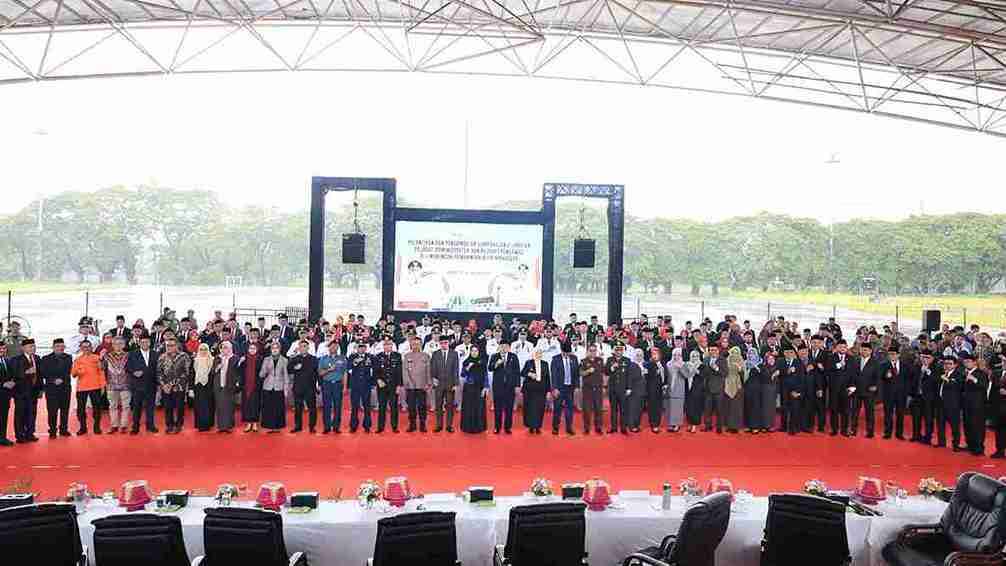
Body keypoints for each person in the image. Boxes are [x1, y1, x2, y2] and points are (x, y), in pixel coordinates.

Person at [72, 340, 106, 435]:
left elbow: (101, 372)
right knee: (80, 409)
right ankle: (82, 427)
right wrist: (78, 371)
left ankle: (97, 427)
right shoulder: (77, 359)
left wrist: (103, 385)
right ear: (81, 348)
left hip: (95, 386)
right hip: (81, 388)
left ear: (91, 348)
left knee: (97, 408)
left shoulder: (97, 358)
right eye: (84, 347)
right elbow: (73, 374)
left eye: (88, 347)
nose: (86, 349)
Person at [11, 338, 42, 443]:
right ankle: (20, 436)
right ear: (23, 348)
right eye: (30, 346)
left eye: (34, 346)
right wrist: (26, 372)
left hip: (34, 391)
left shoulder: (37, 358)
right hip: (21, 392)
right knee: (20, 414)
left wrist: (41, 389)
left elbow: (40, 375)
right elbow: (14, 374)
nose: (33, 348)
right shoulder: (16, 359)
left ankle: (30, 433)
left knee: (32, 413)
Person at [125, 334, 158, 434]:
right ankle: (135, 427)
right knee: (136, 407)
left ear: (150, 343)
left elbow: (158, 369)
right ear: (139, 343)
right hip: (137, 385)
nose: (145, 344)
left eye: (147, 342)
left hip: (151, 385)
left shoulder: (155, 354)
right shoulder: (132, 354)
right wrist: (134, 372)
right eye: (142, 342)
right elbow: (127, 367)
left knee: (150, 407)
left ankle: (150, 425)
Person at [157, 338, 191, 434]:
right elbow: (159, 372)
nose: (169, 347)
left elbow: (186, 373)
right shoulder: (162, 357)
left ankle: (179, 424)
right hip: (166, 387)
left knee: (180, 406)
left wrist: (172, 384)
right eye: (167, 345)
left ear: (177, 346)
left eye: (171, 345)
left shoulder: (184, 356)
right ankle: (169, 425)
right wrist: (164, 385)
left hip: (179, 386)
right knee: (168, 407)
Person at [41, 338, 73, 438]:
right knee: (52, 411)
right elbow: (43, 372)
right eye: (58, 346)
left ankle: (64, 429)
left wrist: (62, 379)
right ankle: (52, 430)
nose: (60, 348)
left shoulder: (68, 357)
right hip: (51, 389)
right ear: (53, 347)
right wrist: (53, 380)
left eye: (62, 346)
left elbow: (68, 371)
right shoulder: (45, 358)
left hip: (65, 388)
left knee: (65, 410)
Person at [489, 341, 520, 434]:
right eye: (502, 346)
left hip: (510, 386)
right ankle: (497, 427)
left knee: (509, 408)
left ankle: (508, 427)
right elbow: (490, 368)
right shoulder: (494, 356)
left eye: (506, 346)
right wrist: (496, 364)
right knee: (497, 407)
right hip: (498, 386)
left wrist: (517, 385)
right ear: (499, 347)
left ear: (509, 347)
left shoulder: (513, 357)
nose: (504, 348)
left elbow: (517, 372)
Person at [881, 345, 912, 440]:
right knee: (888, 413)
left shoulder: (905, 365)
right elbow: (880, 378)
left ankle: (899, 433)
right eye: (890, 354)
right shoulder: (884, 365)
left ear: (898, 355)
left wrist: (907, 392)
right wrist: (885, 376)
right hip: (888, 393)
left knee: (900, 414)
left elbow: (908, 379)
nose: (892, 356)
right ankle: (887, 432)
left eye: (893, 354)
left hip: (901, 394)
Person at [850, 342, 880, 438]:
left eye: (865, 350)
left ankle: (870, 432)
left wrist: (875, 386)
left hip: (869, 391)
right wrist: (852, 386)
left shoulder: (876, 362)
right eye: (862, 349)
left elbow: (878, 377)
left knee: (869, 412)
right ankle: (853, 430)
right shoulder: (856, 360)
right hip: (856, 391)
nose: (863, 351)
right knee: (854, 412)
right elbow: (852, 375)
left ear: (870, 351)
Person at [289, 339, 319, 434]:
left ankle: (312, 426)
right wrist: (294, 367)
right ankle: (298, 426)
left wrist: (318, 385)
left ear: (308, 348)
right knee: (298, 409)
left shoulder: (314, 359)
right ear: (299, 348)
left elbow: (317, 373)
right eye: (301, 346)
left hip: (310, 387)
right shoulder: (295, 358)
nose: (303, 348)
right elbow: (289, 369)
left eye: (305, 346)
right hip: (298, 387)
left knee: (312, 408)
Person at [431, 336, 460, 433]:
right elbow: (432, 367)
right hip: (438, 383)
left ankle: (449, 425)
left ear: (449, 343)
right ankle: (439, 425)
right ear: (439, 344)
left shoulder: (454, 354)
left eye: (446, 343)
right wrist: (433, 378)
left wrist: (456, 383)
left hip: (450, 384)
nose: (444, 345)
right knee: (438, 405)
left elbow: (456, 369)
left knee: (450, 405)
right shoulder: (435, 354)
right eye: (442, 343)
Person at [961, 353, 989, 456]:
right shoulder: (964, 373)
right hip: (966, 404)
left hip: (978, 405)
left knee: (977, 426)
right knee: (967, 425)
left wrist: (974, 379)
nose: (966, 363)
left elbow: (984, 386)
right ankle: (970, 445)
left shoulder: (981, 373)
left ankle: (979, 448)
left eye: (968, 361)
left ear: (974, 362)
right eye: (965, 362)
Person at [373, 339, 403, 433]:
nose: (387, 346)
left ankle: (394, 427)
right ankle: (380, 427)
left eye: (389, 344)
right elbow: (375, 370)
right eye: (385, 344)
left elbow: (399, 371)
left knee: (394, 407)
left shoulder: (397, 356)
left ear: (392, 345)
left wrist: (399, 385)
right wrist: (378, 380)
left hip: (393, 385)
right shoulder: (378, 356)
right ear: (383, 346)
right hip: (382, 385)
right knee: (382, 407)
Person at [318, 339, 347, 434]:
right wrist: (329, 370)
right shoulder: (323, 358)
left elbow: (345, 373)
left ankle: (336, 427)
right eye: (332, 346)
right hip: (327, 384)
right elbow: (320, 373)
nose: (334, 348)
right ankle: (326, 426)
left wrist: (345, 386)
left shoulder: (342, 358)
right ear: (328, 347)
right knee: (326, 406)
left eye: (335, 346)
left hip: (338, 384)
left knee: (337, 406)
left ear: (338, 348)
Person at [403, 337, 432, 432]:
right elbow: (405, 371)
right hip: (410, 386)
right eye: (414, 344)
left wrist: (428, 383)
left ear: (421, 344)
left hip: (422, 385)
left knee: (422, 406)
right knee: (411, 407)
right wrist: (408, 382)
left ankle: (423, 424)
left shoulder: (426, 356)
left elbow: (429, 371)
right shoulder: (407, 356)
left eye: (418, 344)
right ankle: (412, 424)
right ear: (411, 345)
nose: (416, 346)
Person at [826, 340, 855, 437]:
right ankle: (834, 429)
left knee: (845, 410)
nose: (842, 349)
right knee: (833, 409)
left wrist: (852, 387)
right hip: (834, 389)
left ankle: (844, 430)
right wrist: (838, 365)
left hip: (846, 389)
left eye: (844, 347)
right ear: (836, 347)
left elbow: (853, 374)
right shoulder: (831, 358)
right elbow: (827, 371)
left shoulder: (851, 358)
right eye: (840, 347)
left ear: (847, 348)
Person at [259, 342, 289, 433]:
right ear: (271, 350)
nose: (275, 350)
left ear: (280, 349)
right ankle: (269, 426)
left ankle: (277, 426)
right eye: (273, 348)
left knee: (278, 408)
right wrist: (265, 370)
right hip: (268, 386)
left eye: (276, 348)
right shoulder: (266, 359)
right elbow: (261, 375)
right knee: (268, 407)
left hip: (279, 387)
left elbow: (286, 376)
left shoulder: (284, 360)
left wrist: (286, 389)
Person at [102, 336, 130, 434]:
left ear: (124, 345)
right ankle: (114, 425)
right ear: (112, 345)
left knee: (126, 406)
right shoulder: (107, 356)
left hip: (126, 385)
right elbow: (102, 368)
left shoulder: (128, 356)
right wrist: (100, 358)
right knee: (112, 406)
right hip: (111, 385)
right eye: (116, 344)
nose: (118, 345)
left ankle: (124, 425)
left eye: (120, 343)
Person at [550, 344, 579, 435]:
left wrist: (577, 386)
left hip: (570, 387)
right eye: (565, 353)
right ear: (561, 351)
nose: (566, 355)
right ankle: (555, 427)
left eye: (568, 353)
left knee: (569, 408)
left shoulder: (574, 358)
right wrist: (554, 388)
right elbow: (553, 374)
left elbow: (576, 374)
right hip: (559, 387)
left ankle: (569, 427)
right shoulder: (555, 359)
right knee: (557, 408)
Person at [936, 355, 963, 450]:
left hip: (953, 405)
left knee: (954, 426)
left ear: (955, 365)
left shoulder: (958, 375)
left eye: (950, 364)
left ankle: (956, 444)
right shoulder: (940, 373)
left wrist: (946, 379)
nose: (947, 366)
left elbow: (957, 386)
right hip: (940, 403)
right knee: (940, 424)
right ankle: (941, 442)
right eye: (945, 363)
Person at [213, 341, 240, 433]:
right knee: (220, 405)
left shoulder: (235, 358)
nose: (225, 349)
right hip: (219, 384)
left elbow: (238, 372)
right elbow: (213, 371)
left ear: (231, 348)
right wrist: (218, 367)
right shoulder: (217, 358)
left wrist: (237, 382)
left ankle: (228, 426)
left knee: (229, 406)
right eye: (223, 347)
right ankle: (221, 426)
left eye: (227, 347)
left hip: (230, 385)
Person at [911, 349, 938, 444]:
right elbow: (912, 382)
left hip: (929, 398)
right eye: (923, 357)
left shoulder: (936, 368)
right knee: (916, 417)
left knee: (928, 418)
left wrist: (929, 372)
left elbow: (937, 381)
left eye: (927, 357)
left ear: (932, 359)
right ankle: (916, 435)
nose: (925, 359)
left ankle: (928, 437)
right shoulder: (916, 367)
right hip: (917, 397)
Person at [460, 345, 488, 433]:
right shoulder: (466, 361)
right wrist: (468, 367)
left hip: (479, 388)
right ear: (470, 352)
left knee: (479, 407)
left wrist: (486, 387)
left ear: (478, 352)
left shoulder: (482, 362)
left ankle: (479, 427)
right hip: (469, 387)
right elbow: (462, 374)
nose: (474, 353)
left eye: (476, 351)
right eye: (472, 351)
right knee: (468, 408)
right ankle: (468, 427)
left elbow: (485, 375)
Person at [521, 348, 550, 434]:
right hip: (530, 390)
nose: (538, 355)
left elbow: (547, 378)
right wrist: (529, 374)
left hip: (541, 389)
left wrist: (548, 391)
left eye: (540, 353)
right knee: (530, 408)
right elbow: (522, 373)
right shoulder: (528, 362)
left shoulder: (545, 364)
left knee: (540, 408)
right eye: (537, 353)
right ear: (534, 354)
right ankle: (531, 426)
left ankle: (538, 427)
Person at [348, 342, 375, 433]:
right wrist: (356, 361)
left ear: (366, 348)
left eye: (363, 347)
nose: (361, 349)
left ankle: (367, 425)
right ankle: (353, 425)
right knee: (354, 406)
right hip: (355, 385)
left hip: (366, 384)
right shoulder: (352, 356)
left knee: (367, 406)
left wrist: (372, 383)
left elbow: (374, 370)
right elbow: (349, 369)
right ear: (357, 348)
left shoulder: (370, 357)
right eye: (360, 347)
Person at [604, 342, 630, 434]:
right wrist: (612, 368)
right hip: (613, 389)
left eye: (620, 350)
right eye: (617, 350)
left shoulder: (627, 360)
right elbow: (606, 372)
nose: (619, 351)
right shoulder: (610, 359)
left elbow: (629, 376)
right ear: (614, 351)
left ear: (623, 351)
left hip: (623, 389)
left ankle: (623, 428)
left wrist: (629, 388)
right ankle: (614, 427)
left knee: (623, 409)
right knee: (613, 409)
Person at [238, 342, 264, 433]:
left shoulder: (260, 359)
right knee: (247, 404)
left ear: (257, 350)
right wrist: (240, 362)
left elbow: (262, 372)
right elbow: (239, 371)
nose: (252, 350)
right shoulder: (244, 359)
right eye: (250, 348)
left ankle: (255, 423)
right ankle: (249, 423)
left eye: (254, 348)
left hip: (256, 385)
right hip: (246, 385)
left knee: (256, 404)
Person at [664, 348, 690, 432]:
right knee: (670, 407)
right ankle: (671, 424)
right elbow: (666, 376)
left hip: (679, 389)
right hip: (669, 389)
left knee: (678, 407)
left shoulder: (683, 364)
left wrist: (680, 367)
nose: (676, 356)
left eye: (678, 355)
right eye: (674, 355)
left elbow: (687, 375)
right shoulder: (668, 364)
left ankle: (677, 425)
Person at [702, 343, 727, 433]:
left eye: (715, 350)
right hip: (708, 388)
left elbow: (725, 373)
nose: (713, 352)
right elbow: (703, 373)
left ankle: (719, 427)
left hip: (718, 388)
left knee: (719, 409)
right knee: (707, 409)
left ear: (718, 351)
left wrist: (716, 368)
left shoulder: (723, 360)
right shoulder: (706, 359)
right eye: (711, 350)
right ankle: (707, 425)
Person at [780, 346, 803, 435]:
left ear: (794, 353)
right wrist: (787, 371)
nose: (789, 354)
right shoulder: (781, 361)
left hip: (795, 389)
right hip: (784, 389)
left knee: (795, 408)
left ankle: (793, 427)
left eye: (791, 352)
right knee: (784, 408)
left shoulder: (798, 362)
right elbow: (779, 373)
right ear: (784, 353)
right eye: (787, 352)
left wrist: (798, 391)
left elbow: (801, 377)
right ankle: (784, 426)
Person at [641, 347, 665, 433]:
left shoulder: (663, 364)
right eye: (653, 354)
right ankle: (654, 424)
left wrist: (665, 384)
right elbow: (646, 376)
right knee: (652, 407)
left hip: (661, 389)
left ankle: (657, 423)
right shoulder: (648, 364)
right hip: (651, 390)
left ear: (659, 355)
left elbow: (665, 375)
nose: (655, 356)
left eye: (656, 354)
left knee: (659, 407)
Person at [192, 343, 215, 432]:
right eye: (201, 349)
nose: (203, 351)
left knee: (208, 406)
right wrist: (191, 388)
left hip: (209, 386)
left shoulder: (212, 360)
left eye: (205, 349)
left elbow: (214, 374)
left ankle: (208, 424)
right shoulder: (195, 360)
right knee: (199, 405)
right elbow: (192, 374)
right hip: (198, 386)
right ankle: (200, 424)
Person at [722, 346, 745, 433]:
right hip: (727, 385)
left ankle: (736, 426)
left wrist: (740, 370)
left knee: (737, 407)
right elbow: (723, 372)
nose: (735, 355)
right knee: (728, 406)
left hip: (738, 386)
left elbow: (745, 376)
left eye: (736, 353)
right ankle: (728, 425)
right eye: (733, 353)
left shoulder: (741, 361)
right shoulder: (726, 361)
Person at [683, 350, 705, 433]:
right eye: (693, 356)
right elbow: (684, 375)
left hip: (697, 389)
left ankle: (694, 425)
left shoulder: (702, 365)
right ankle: (689, 423)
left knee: (696, 407)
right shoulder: (686, 364)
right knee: (688, 407)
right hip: (687, 388)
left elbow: (703, 375)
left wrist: (695, 370)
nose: (694, 358)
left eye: (696, 356)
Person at [741, 348, 762, 433]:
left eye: (753, 353)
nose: (751, 355)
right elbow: (742, 376)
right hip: (747, 387)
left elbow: (762, 374)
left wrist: (756, 367)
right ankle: (748, 426)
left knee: (756, 407)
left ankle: (755, 426)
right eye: (750, 353)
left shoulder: (760, 363)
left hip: (757, 388)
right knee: (747, 406)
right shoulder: (745, 363)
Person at [0, 344, 13, 446]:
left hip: (5, 395)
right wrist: (2, 384)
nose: (2, 350)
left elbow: (11, 375)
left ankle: (2, 438)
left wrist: (12, 382)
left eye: (4, 348)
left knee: (4, 417)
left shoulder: (8, 361)